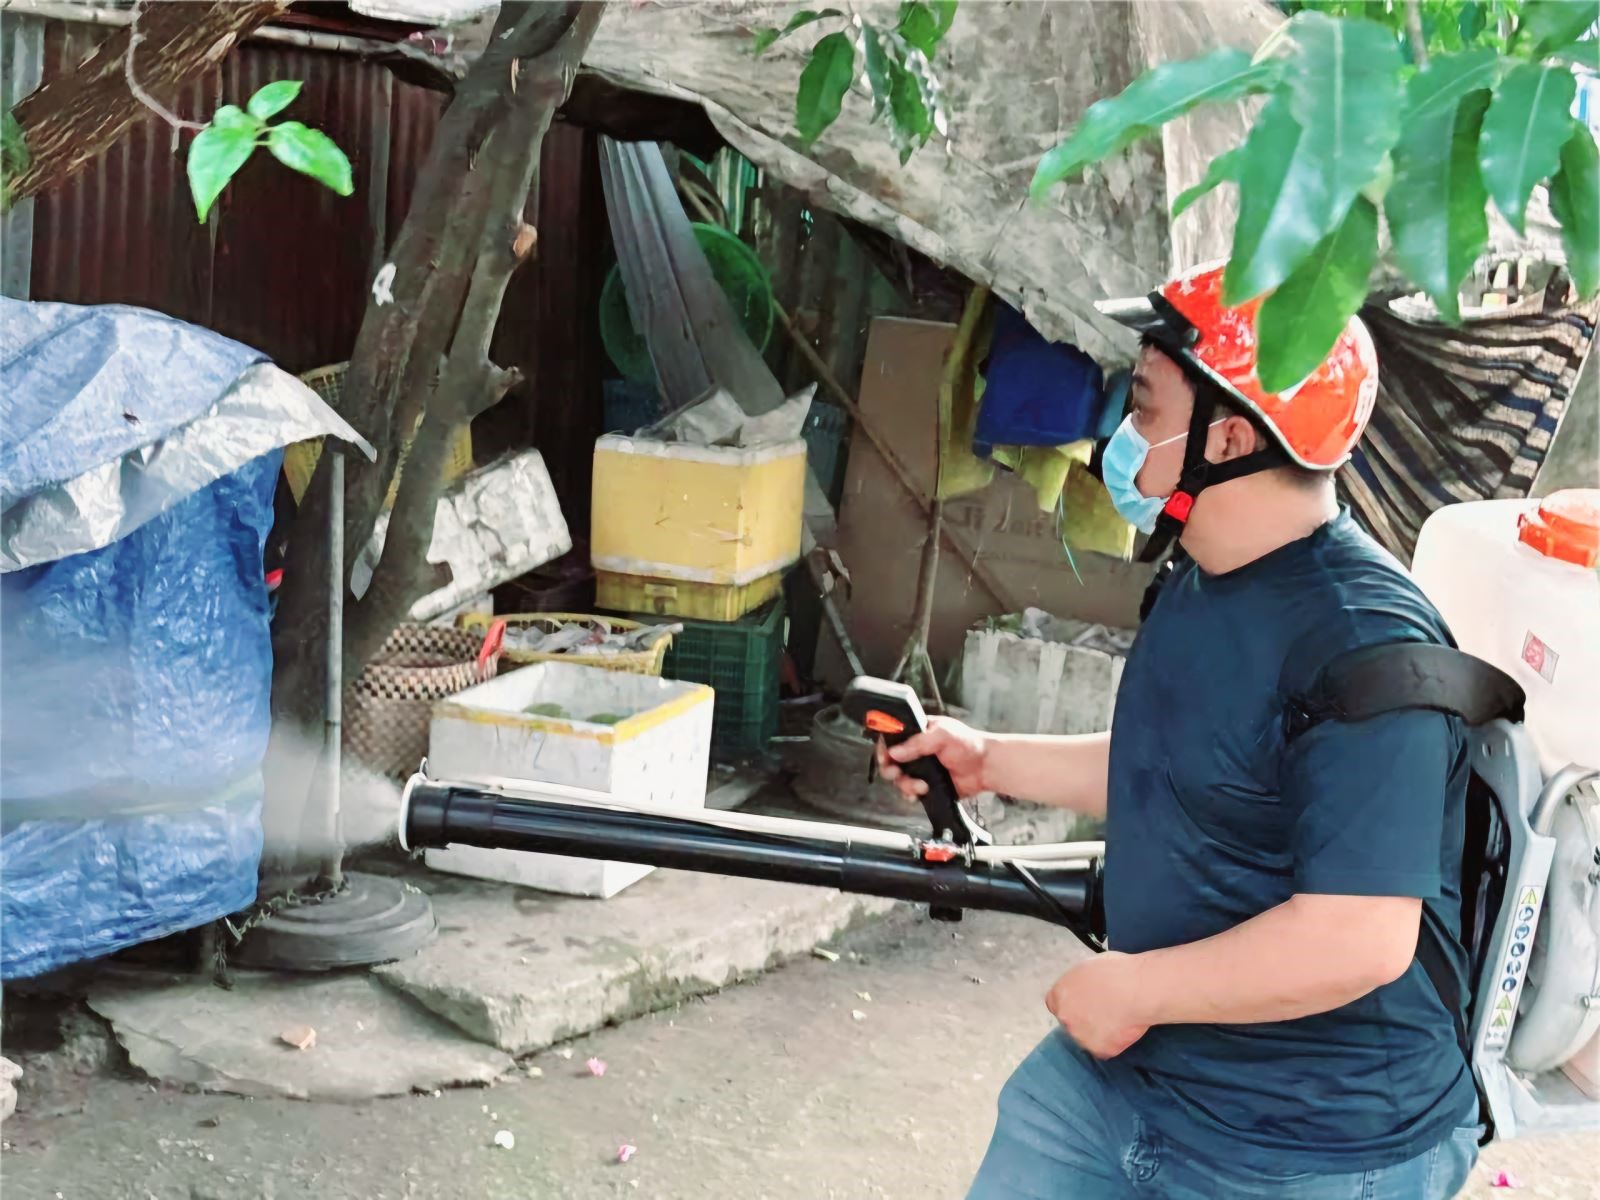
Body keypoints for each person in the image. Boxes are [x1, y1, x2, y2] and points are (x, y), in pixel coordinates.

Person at [877, 264, 1481, 1199]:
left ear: (1230, 437)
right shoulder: (1204, 573)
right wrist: (990, 760)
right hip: (1136, 1074)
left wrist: (1138, 989)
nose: (1119, 435)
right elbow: (1180, 763)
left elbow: (1360, 937)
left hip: (1313, 1142)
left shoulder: (1366, 648)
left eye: (1145, 407)